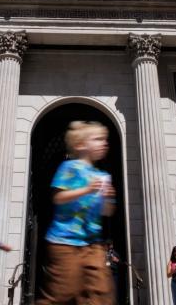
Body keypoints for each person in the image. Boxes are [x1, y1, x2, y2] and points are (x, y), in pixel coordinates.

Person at [36, 121, 116, 305]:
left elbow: (107, 212)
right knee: (63, 293)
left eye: (105, 139)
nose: (104, 143)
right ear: (80, 145)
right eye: (97, 139)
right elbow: (58, 198)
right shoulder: (69, 168)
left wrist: (109, 198)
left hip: (93, 243)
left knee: (101, 293)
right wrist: (87, 190)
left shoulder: (103, 176)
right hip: (64, 241)